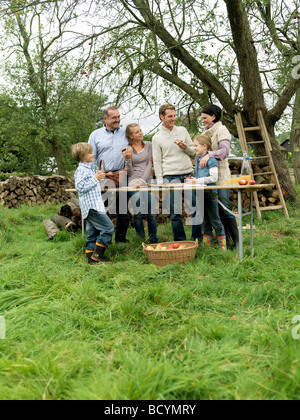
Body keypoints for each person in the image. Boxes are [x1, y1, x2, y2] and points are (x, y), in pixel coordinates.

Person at [152, 104, 202, 242]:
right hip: (170, 175)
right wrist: (161, 181)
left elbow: (193, 152)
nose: (173, 119)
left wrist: (185, 147)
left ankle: (197, 239)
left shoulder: (182, 130)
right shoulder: (156, 138)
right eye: (170, 116)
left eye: (174, 116)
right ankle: (181, 241)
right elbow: (157, 161)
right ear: (162, 117)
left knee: (196, 206)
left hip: (188, 173)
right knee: (174, 212)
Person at [88, 106, 130, 243]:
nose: (117, 120)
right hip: (103, 175)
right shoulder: (95, 135)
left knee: (123, 208)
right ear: (105, 119)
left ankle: (121, 239)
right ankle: (104, 239)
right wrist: (93, 176)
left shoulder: (125, 132)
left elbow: (137, 144)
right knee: (102, 207)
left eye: (118, 117)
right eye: (114, 118)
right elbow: (91, 157)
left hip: (121, 174)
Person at [200, 104, 239, 250]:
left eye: (205, 118)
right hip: (209, 176)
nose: (203, 120)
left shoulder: (222, 130)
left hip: (221, 175)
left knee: (225, 208)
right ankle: (226, 240)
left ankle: (237, 242)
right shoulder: (205, 132)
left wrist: (209, 154)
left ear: (213, 117)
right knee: (214, 209)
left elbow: (224, 152)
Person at [72, 142, 115, 264]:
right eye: (90, 153)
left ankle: (91, 259)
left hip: (94, 205)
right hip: (92, 207)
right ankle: (98, 255)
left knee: (92, 232)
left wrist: (99, 179)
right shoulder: (81, 170)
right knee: (108, 228)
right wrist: (95, 178)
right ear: (82, 156)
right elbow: (80, 187)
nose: (93, 154)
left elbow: (93, 186)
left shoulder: (90, 169)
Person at [186, 134, 227, 250]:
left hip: (210, 194)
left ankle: (223, 249)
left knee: (215, 221)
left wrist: (196, 181)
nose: (194, 148)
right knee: (204, 222)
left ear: (204, 146)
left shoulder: (211, 160)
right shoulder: (198, 160)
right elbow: (199, 178)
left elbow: (213, 178)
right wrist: (192, 179)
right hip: (200, 195)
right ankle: (207, 248)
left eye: (196, 146)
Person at [123, 124, 158, 244]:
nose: (140, 133)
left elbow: (150, 164)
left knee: (151, 213)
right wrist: (127, 159)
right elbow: (130, 170)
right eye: (136, 132)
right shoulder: (128, 149)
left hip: (147, 181)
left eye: (140, 131)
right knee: (137, 214)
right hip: (133, 182)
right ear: (130, 136)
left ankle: (153, 240)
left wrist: (142, 180)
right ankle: (141, 240)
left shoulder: (149, 145)